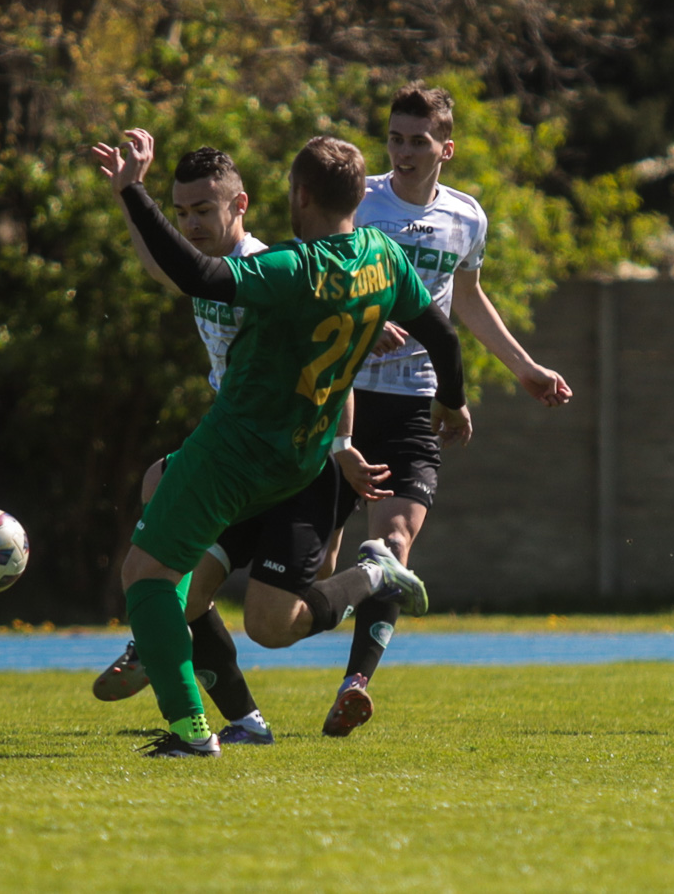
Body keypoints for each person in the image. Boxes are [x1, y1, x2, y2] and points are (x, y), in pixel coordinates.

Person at [109, 127, 472, 757]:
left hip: (238, 450)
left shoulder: (289, 268)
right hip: (298, 458)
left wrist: (133, 191)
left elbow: (196, 274)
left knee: (145, 575)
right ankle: (231, 705)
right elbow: (443, 335)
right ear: (359, 195)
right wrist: (452, 398)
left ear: (299, 195)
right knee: (174, 532)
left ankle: (190, 729)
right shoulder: (385, 258)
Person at [319, 82, 573, 738]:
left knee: (393, 546)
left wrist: (525, 368)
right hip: (341, 398)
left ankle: (355, 685)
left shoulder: (467, 217)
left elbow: (467, 298)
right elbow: (318, 278)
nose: (403, 152)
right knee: (312, 573)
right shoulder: (359, 201)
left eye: (418, 141)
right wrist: (363, 320)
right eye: (395, 139)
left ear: (446, 148)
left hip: (414, 402)